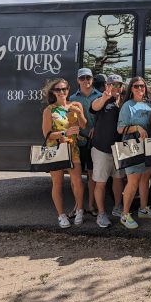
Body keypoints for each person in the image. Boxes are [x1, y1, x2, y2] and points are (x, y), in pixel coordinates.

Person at [41, 78, 87, 228]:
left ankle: (79, 210)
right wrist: (64, 133)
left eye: (64, 89)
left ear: (68, 90)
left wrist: (79, 113)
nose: (62, 92)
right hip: (56, 149)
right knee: (58, 183)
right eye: (58, 89)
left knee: (77, 181)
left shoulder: (76, 105)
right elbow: (47, 134)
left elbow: (83, 125)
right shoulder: (49, 110)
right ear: (53, 92)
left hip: (73, 148)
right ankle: (61, 215)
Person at [117, 76, 151, 229]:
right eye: (136, 86)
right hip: (132, 147)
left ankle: (143, 209)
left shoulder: (149, 104)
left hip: (148, 146)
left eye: (142, 86)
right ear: (131, 89)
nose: (140, 88)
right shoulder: (127, 105)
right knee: (133, 181)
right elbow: (120, 129)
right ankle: (125, 215)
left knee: (145, 178)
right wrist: (137, 128)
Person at [89, 74, 125, 228]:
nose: (116, 87)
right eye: (112, 84)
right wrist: (105, 97)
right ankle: (101, 213)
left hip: (119, 149)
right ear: (106, 86)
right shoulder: (101, 100)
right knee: (101, 182)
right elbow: (94, 107)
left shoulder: (124, 102)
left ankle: (117, 207)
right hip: (101, 149)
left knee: (118, 179)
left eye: (118, 85)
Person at [69, 67, 102, 217]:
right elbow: (70, 120)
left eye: (88, 78)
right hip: (78, 141)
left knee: (92, 174)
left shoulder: (100, 96)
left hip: (95, 141)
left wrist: (97, 127)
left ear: (92, 79)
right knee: (75, 177)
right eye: (82, 78)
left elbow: (104, 118)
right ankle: (77, 206)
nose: (85, 81)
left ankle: (91, 205)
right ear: (78, 80)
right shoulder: (72, 99)